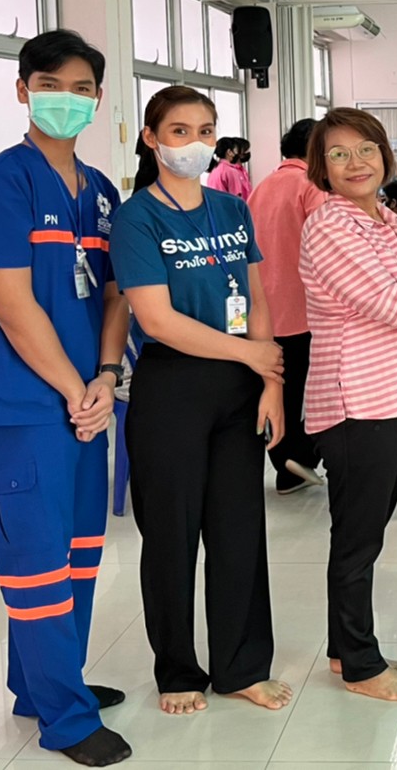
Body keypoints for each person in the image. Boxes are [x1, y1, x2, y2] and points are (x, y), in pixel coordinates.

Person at [0, 30, 131, 767]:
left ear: (98, 99)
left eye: (82, 88)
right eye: (51, 85)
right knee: (36, 566)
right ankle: (65, 718)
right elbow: (14, 305)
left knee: (78, 555)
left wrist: (106, 377)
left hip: (87, 403)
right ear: (23, 91)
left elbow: (116, 294)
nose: (67, 99)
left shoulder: (102, 194)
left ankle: (44, 683)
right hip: (22, 412)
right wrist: (76, 388)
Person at [110, 86, 290, 718]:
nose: (195, 143)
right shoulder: (137, 218)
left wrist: (271, 382)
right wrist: (251, 356)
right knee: (172, 535)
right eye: (180, 131)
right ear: (152, 139)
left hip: (241, 386)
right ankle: (177, 670)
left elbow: (257, 296)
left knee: (239, 530)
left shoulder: (231, 209)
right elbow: (156, 319)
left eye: (206, 130)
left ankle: (242, 666)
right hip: (174, 386)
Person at [300, 107, 397, 702]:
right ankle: (360, 663)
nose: (355, 163)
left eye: (365, 149)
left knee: (365, 531)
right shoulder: (330, 225)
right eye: (338, 154)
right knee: (358, 538)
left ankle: (342, 649)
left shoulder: (386, 221)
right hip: (357, 401)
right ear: (322, 167)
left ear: (386, 155)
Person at [247, 119, 326, 495]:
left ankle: (284, 462)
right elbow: (328, 249)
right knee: (309, 391)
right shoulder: (312, 187)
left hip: (261, 309)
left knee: (279, 387)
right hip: (302, 308)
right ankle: (298, 460)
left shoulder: (261, 187)